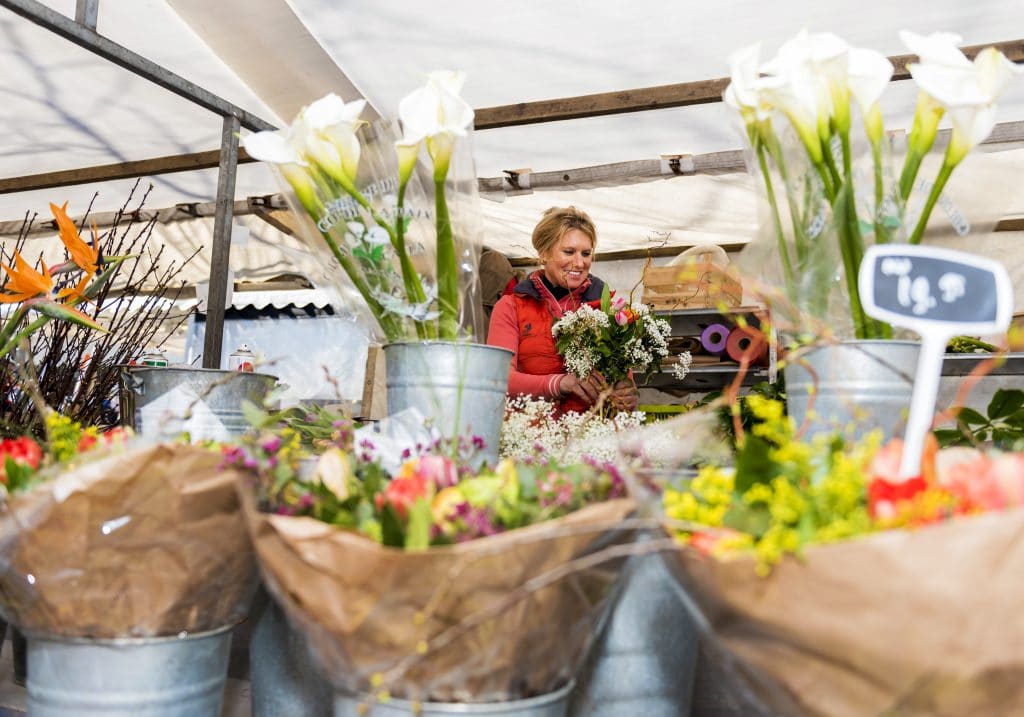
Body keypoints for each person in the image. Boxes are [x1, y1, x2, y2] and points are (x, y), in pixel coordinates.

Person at [487, 206, 638, 414]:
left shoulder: (609, 308)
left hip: (592, 437)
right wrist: (560, 384)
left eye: (586, 253)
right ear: (544, 253)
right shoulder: (511, 307)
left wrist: (627, 393)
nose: (579, 262)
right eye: (569, 252)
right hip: (532, 438)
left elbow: (623, 379)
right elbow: (499, 379)